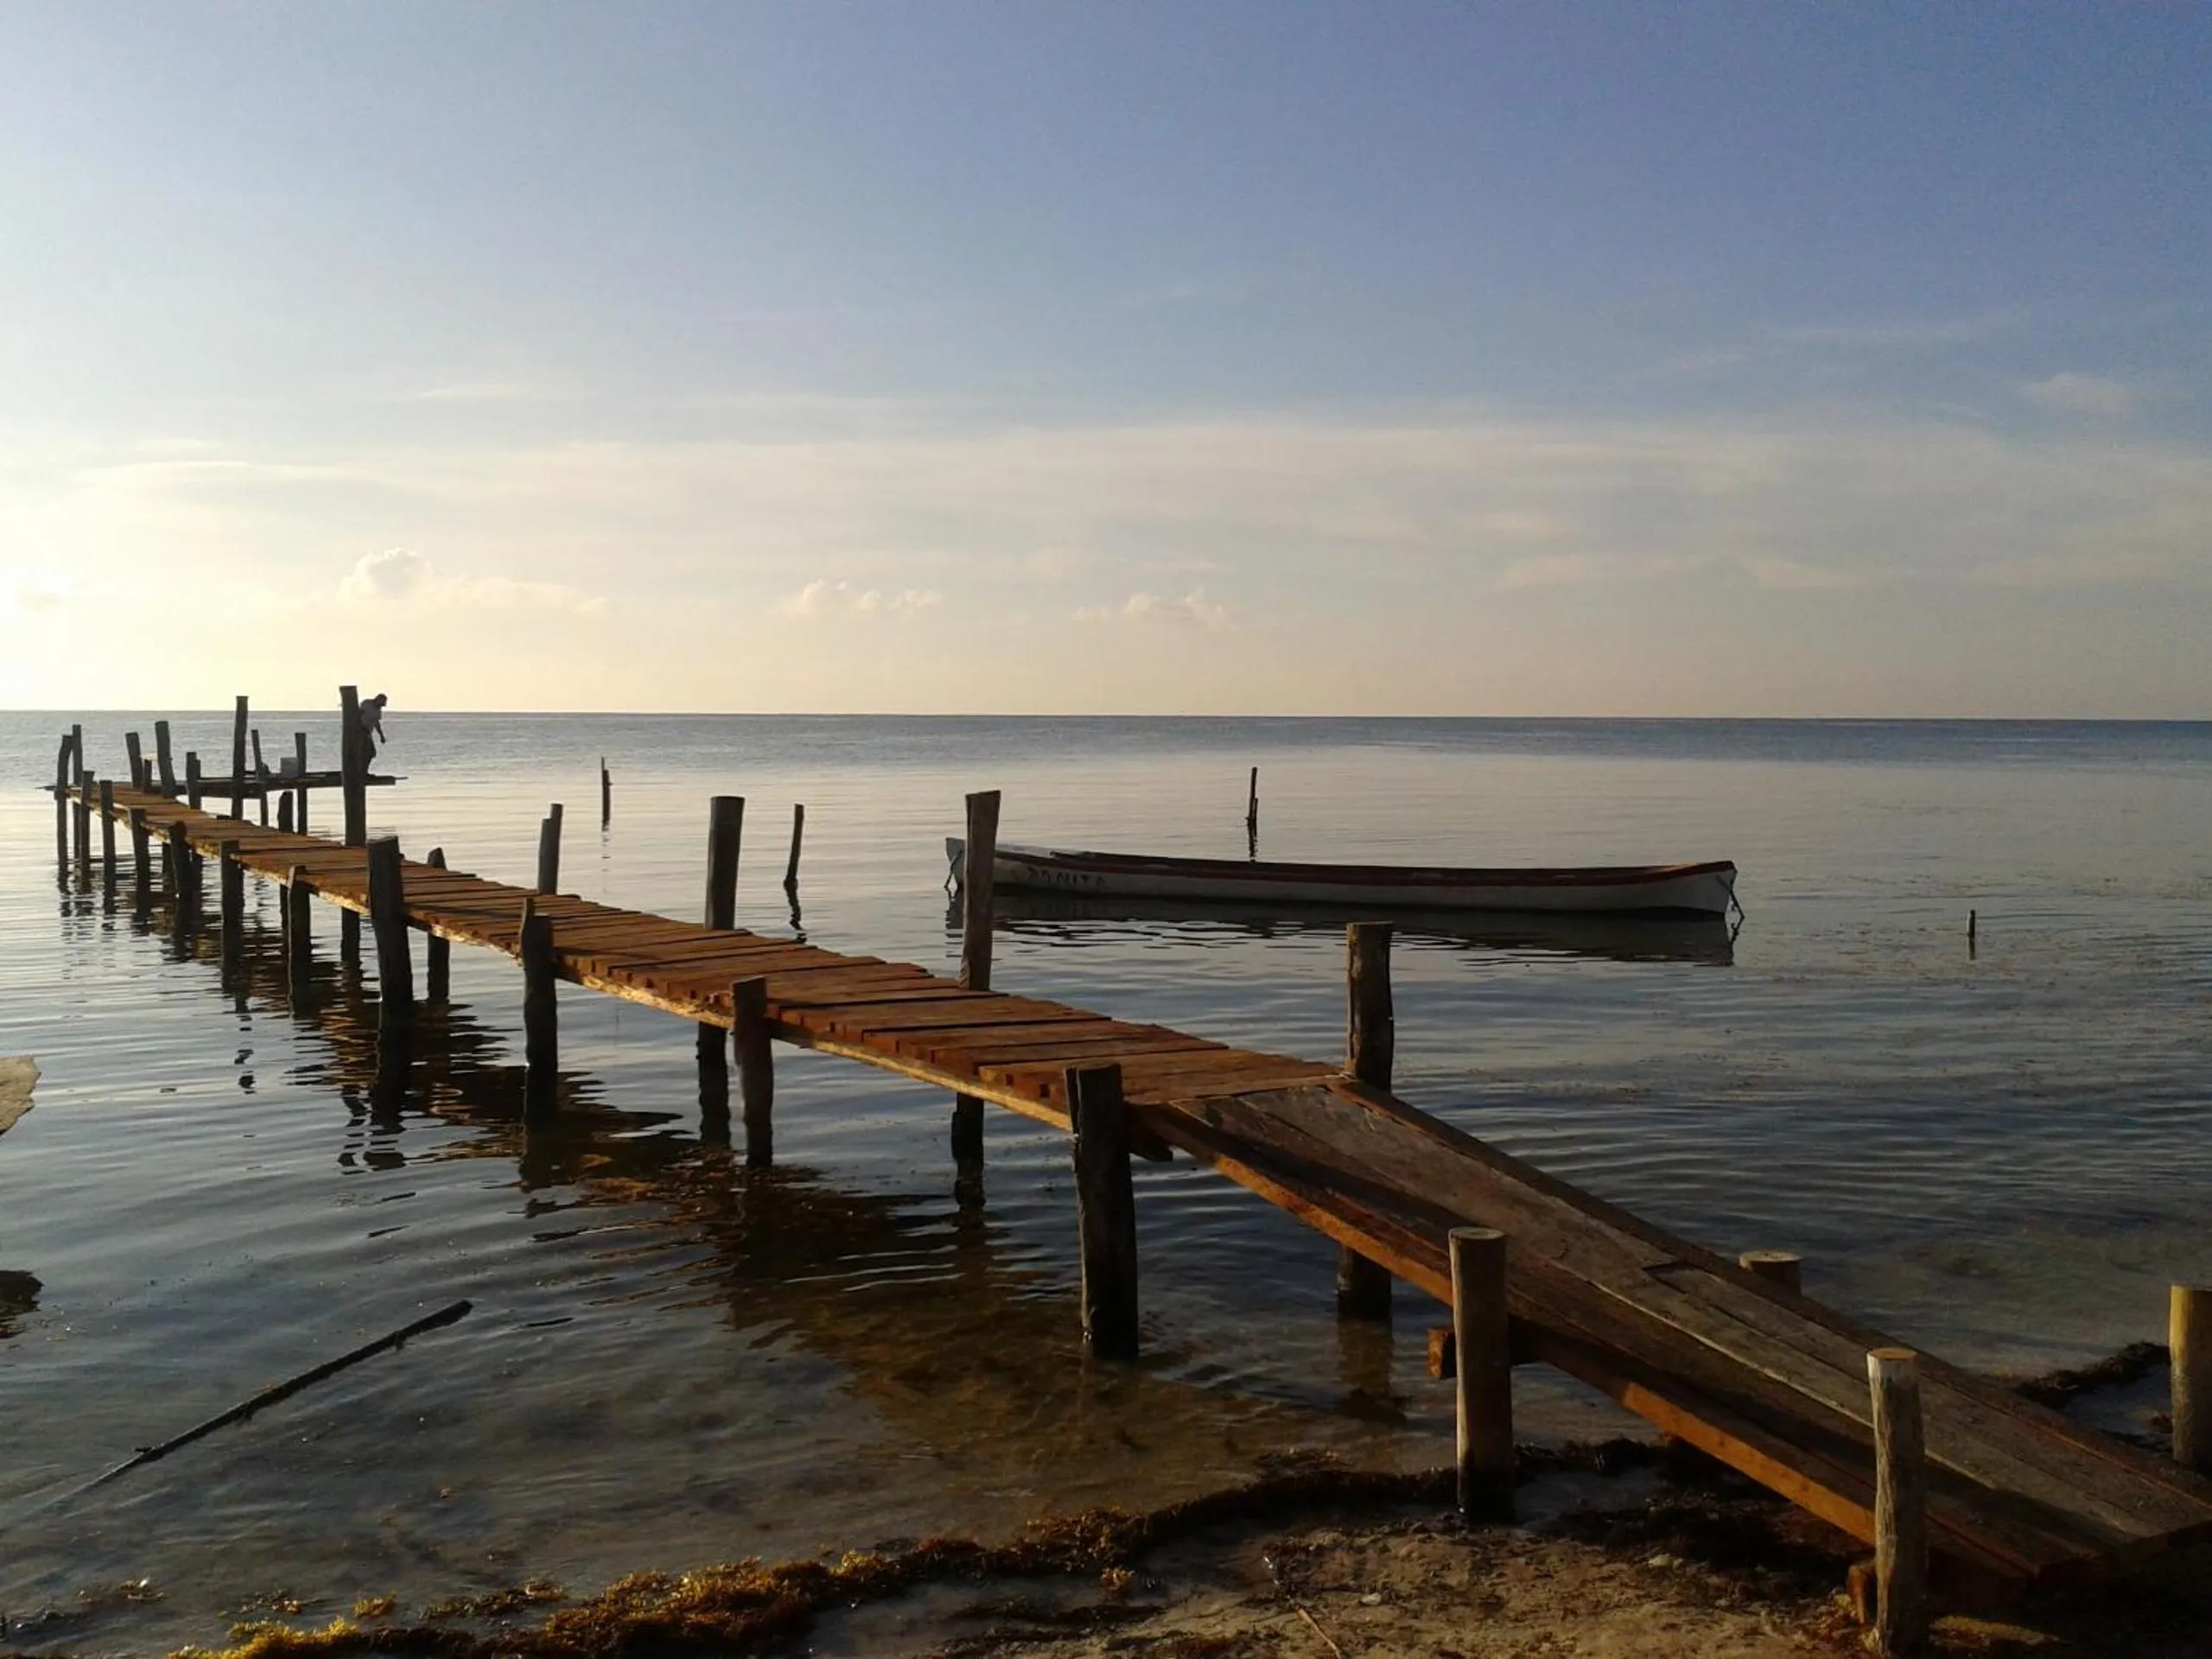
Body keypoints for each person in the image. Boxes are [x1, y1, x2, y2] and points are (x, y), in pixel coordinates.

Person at [361, 692, 389, 761]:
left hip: (368, 733)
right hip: (360, 731)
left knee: (371, 753)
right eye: (380, 704)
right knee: (363, 752)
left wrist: (381, 736)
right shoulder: (366, 704)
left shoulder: (378, 711)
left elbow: (376, 723)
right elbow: (358, 714)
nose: (380, 707)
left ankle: (364, 769)